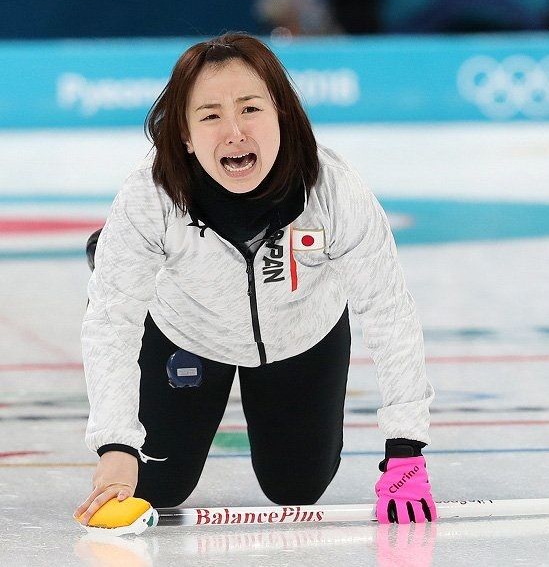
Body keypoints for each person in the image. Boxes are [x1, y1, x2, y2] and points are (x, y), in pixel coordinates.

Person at [73, 32, 436, 526]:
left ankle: (123, 255)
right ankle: (118, 254)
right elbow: (111, 322)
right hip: (188, 330)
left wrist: (406, 447)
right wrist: (115, 444)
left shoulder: (335, 190)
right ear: (184, 135)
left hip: (303, 331)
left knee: (297, 489)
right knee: (155, 488)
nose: (234, 132)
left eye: (250, 109)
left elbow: (388, 310)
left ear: (281, 114)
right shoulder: (148, 196)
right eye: (210, 116)